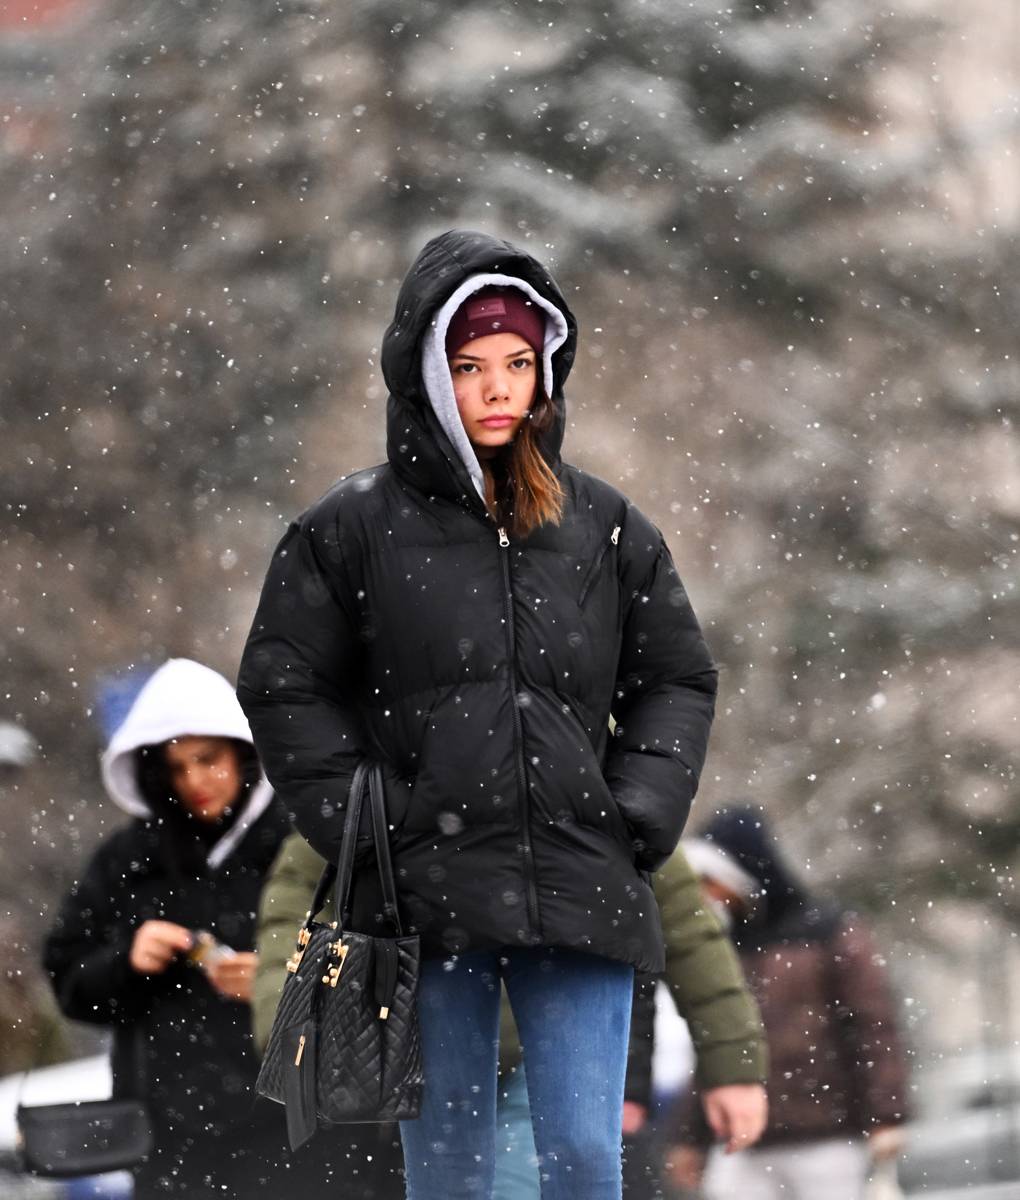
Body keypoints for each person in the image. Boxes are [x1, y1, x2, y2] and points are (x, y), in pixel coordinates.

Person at [237, 229, 719, 1200]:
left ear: (546, 370)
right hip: (426, 904)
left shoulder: (606, 527)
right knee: (449, 1172)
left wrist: (635, 816)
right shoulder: (349, 531)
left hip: (582, 886)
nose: (499, 387)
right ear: (426, 372)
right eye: (470, 365)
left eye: (518, 362)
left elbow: (678, 677)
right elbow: (282, 684)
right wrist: (373, 819)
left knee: (584, 1161)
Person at [252, 836, 769, 1200]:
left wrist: (734, 1066)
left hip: (542, 1046)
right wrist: (292, 1026)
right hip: (415, 1048)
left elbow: (686, 926)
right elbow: (297, 908)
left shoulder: (583, 738)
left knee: (542, 1180)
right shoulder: (393, 734)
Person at [43, 658, 301, 1198]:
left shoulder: (299, 846)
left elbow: (363, 965)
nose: (195, 781)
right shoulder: (126, 859)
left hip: (294, 1132)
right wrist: (127, 962)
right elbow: (67, 976)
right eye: (177, 768)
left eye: (208, 760)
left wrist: (277, 980)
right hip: (169, 1141)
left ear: (243, 752)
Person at [668, 805, 910, 1200]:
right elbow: (712, 1045)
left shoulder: (830, 932)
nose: (705, 896)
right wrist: (689, 1137)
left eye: (709, 881)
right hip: (743, 1138)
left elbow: (873, 1026)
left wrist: (886, 1116)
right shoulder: (721, 945)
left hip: (827, 1137)